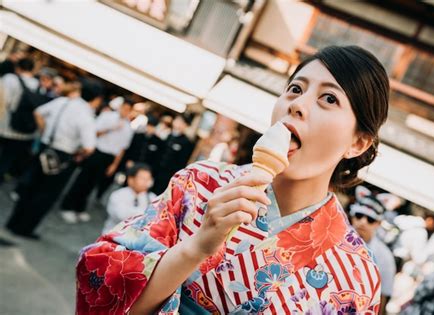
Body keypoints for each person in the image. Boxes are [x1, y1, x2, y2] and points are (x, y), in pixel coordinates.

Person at [76, 46, 388, 314]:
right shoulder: (200, 183)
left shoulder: (356, 275)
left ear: (358, 143)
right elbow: (103, 280)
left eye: (329, 99)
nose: (298, 104)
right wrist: (196, 247)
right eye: (295, 89)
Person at [5, 78, 103, 239]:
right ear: (96, 98)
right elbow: (89, 147)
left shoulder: (63, 102)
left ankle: (13, 222)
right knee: (46, 194)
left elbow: (38, 113)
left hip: (45, 148)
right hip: (63, 156)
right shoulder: (86, 116)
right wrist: (79, 155)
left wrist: (45, 132)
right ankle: (24, 228)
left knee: (30, 187)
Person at [60, 99, 134, 223]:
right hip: (97, 152)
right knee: (82, 180)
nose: (125, 111)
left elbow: (122, 149)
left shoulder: (128, 128)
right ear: (120, 107)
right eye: (124, 108)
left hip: (109, 157)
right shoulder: (108, 116)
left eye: (128, 110)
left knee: (92, 184)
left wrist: (114, 165)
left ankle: (79, 208)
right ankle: (67, 206)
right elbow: (93, 132)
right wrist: (111, 129)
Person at [350, 186, 397, 315]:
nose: (363, 222)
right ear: (353, 216)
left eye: (370, 219)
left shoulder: (385, 257)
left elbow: (382, 297)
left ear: (378, 223)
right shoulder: (333, 237)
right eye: (359, 215)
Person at [0, 58, 39, 184]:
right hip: (24, 131)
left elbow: (4, 101)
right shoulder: (37, 84)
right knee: (8, 158)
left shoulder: (9, 79)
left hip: (4, 124)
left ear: (18, 67)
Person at [102, 163, 156, 234]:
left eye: (148, 179)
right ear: (130, 179)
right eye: (142, 178)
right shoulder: (118, 195)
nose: (146, 182)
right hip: (114, 234)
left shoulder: (153, 197)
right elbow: (122, 216)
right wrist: (146, 215)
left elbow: (155, 219)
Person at [153, 113, 194, 194]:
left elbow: (182, 162)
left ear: (185, 125)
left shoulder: (186, 142)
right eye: (177, 119)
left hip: (168, 176)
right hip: (156, 171)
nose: (177, 122)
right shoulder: (168, 135)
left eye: (180, 121)